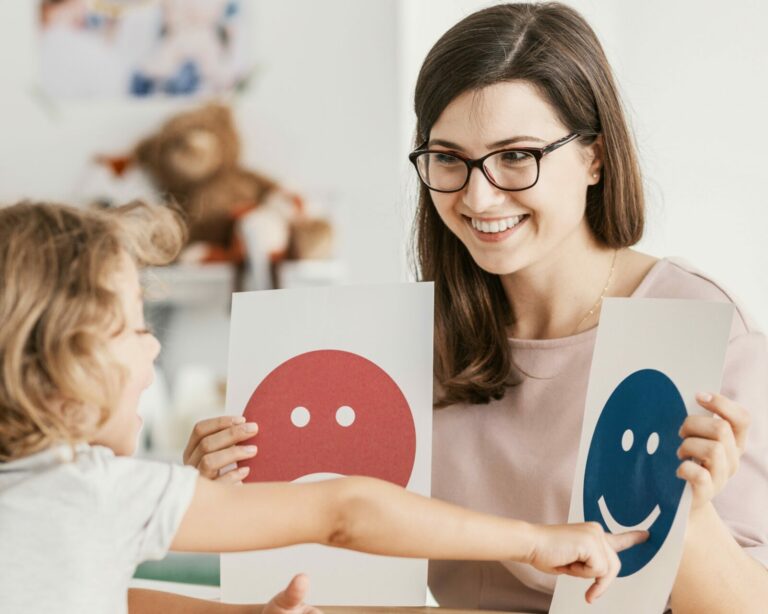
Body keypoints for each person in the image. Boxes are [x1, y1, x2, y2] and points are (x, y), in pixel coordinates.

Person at [186, 3, 768, 613]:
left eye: (516, 156)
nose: (478, 195)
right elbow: (345, 570)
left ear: (594, 156)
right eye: (449, 159)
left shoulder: (697, 323)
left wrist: (691, 518)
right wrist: (223, 501)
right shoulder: (408, 341)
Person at [0, 200, 645, 614]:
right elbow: (345, 511)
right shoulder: (101, 492)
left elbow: (107, 594)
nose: (155, 346)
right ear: (67, 364)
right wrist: (534, 542)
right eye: (135, 328)